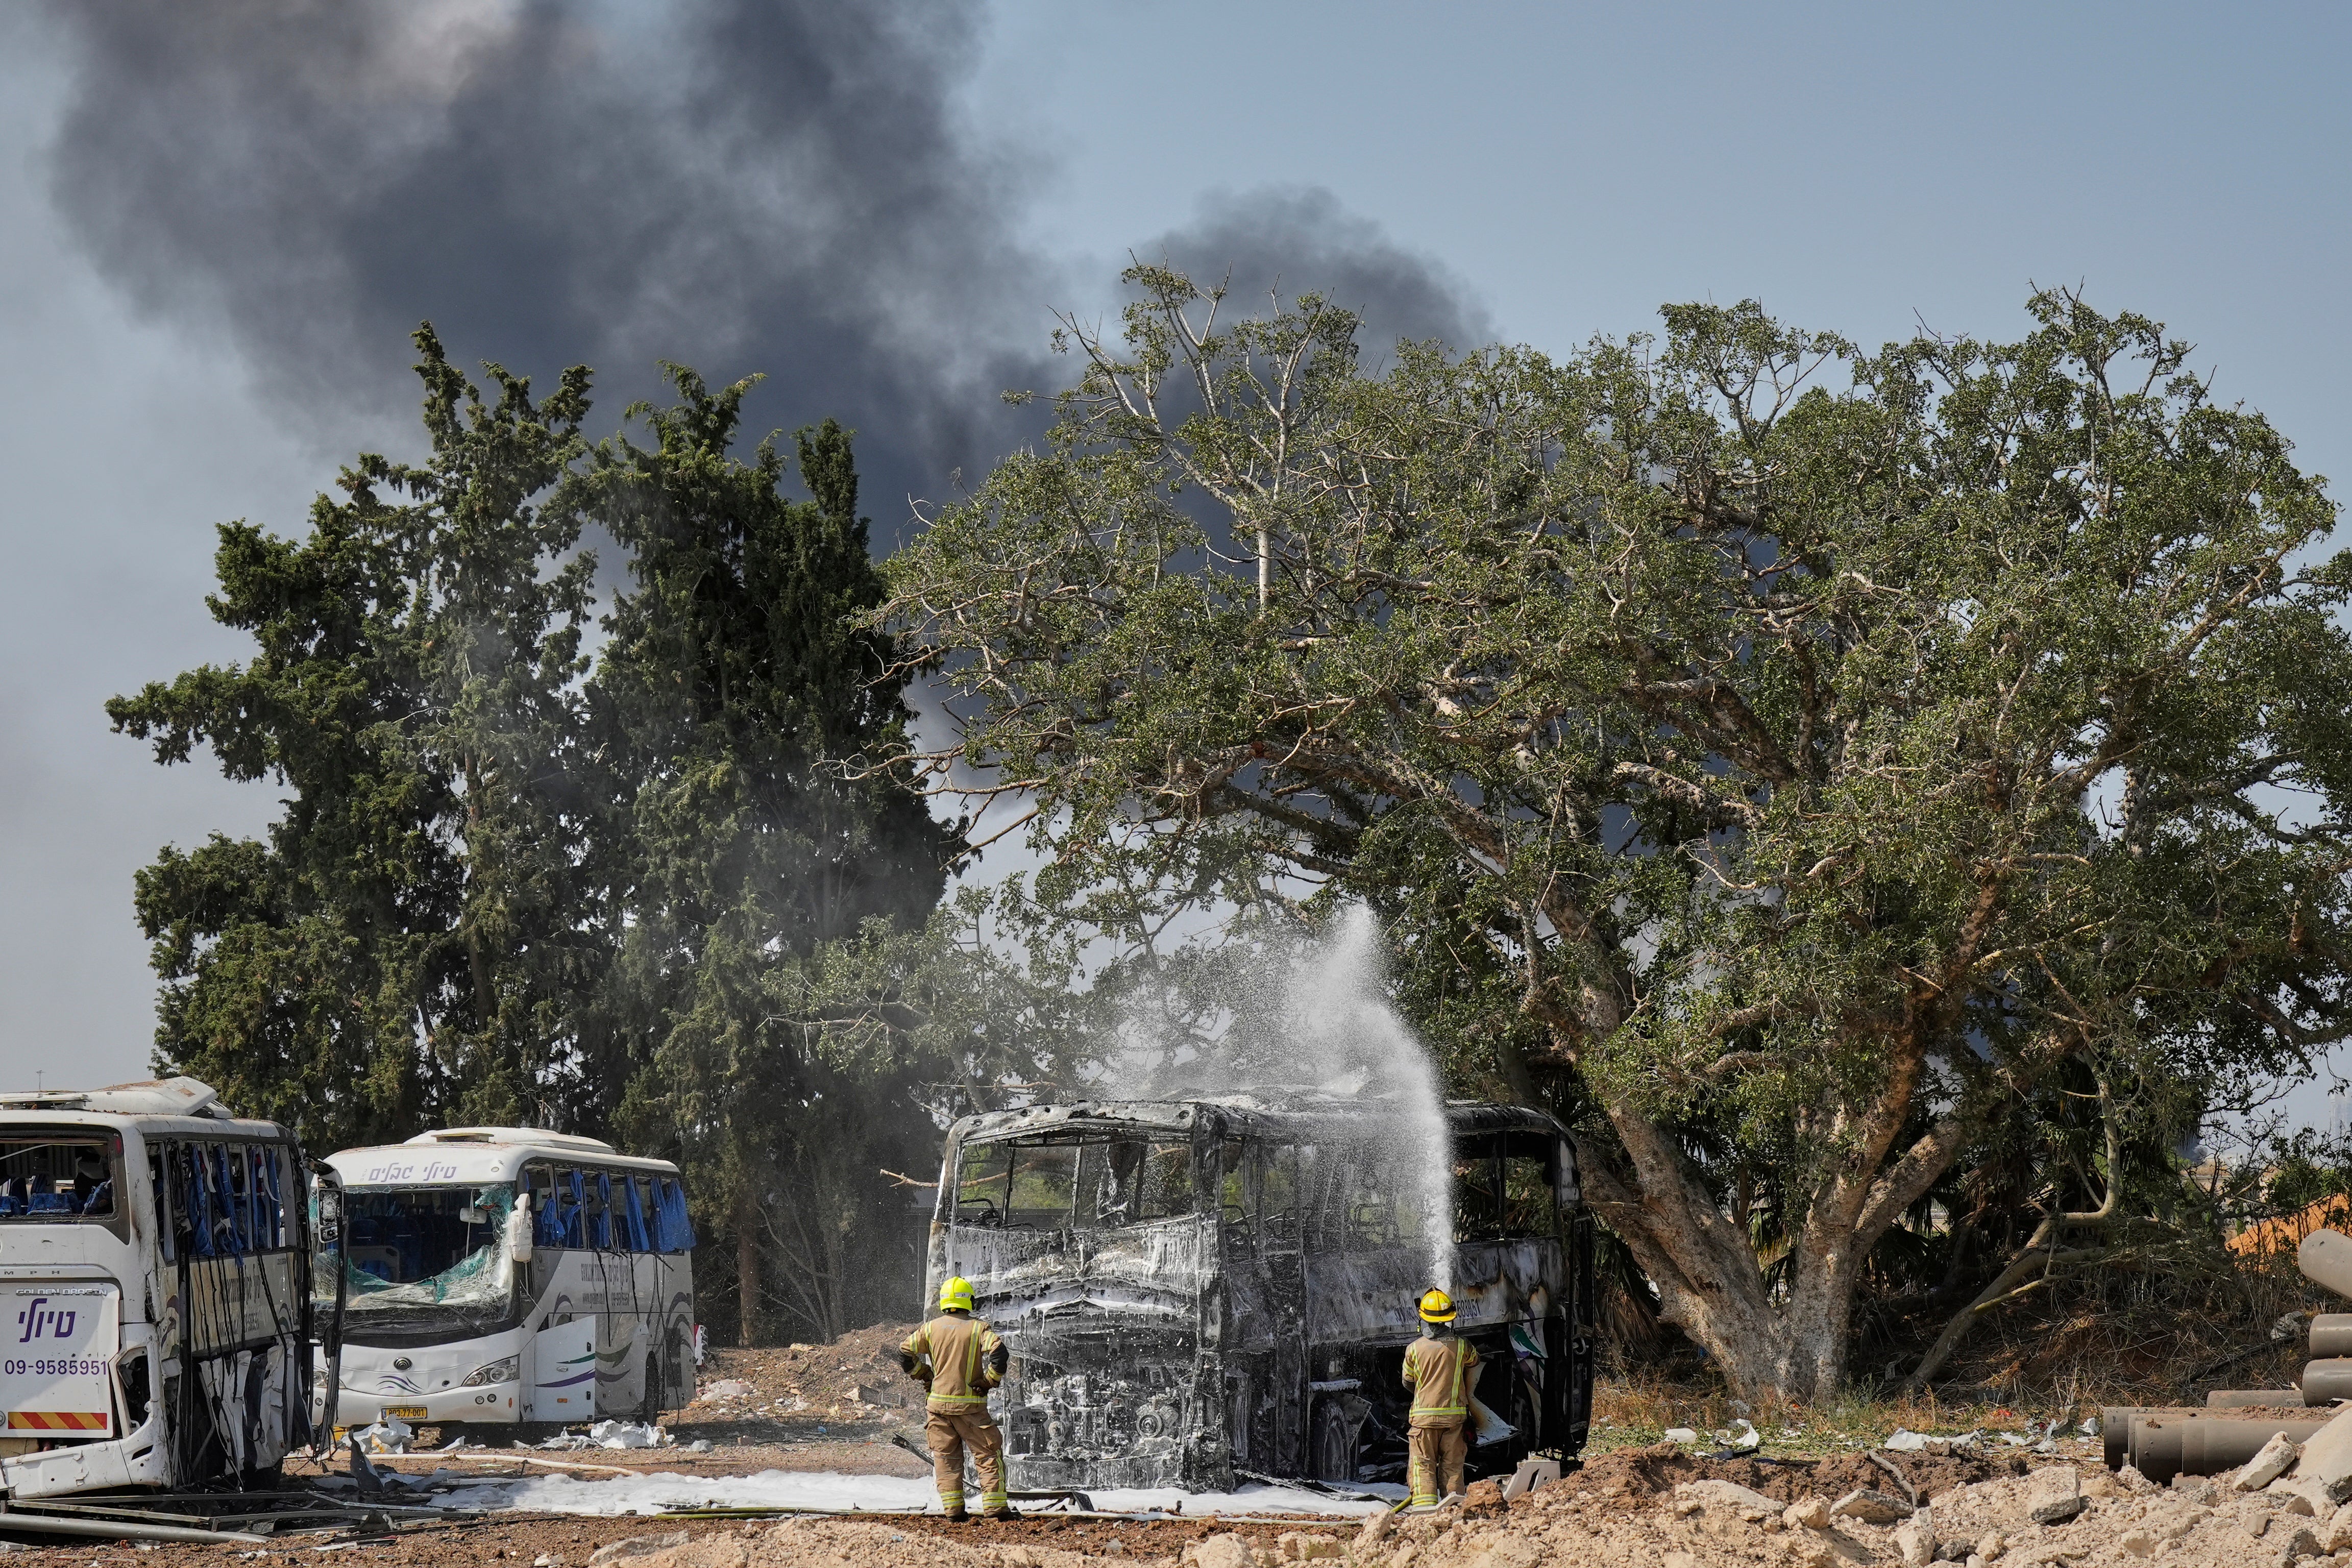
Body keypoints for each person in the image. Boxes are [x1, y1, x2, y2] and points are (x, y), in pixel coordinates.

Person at [900, 1276, 1012, 1521]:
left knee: (946, 1458)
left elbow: (905, 1352)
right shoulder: (978, 1329)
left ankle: (953, 1511)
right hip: (970, 1407)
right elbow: (1000, 1354)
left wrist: (924, 1374)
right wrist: (989, 1381)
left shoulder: (930, 1328)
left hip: (938, 1407)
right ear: (968, 1301)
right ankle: (994, 1509)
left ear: (944, 1302)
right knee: (987, 1454)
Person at [1401, 1286, 1479, 1506]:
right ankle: (1453, 1511)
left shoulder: (1414, 1349)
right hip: (1454, 1419)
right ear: (1450, 1318)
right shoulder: (1463, 1346)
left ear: (1423, 1317)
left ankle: (1425, 1512)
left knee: (1423, 1464)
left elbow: (1408, 1381)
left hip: (1423, 1421)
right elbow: (1475, 1361)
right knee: (1453, 1467)